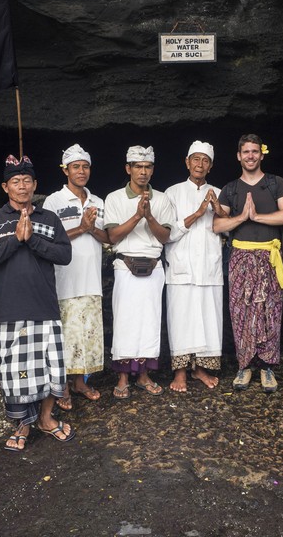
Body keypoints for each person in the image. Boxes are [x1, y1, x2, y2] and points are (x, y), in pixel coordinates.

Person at [0, 155, 76, 452]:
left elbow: (64, 256)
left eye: (27, 181)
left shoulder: (49, 219)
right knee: (16, 375)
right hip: (10, 310)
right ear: (6, 187)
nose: (22, 186)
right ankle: (23, 426)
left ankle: (46, 418)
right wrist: (15, 240)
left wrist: (32, 240)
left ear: (35, 185)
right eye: (16, 182)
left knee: (50, 369)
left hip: (44, 306)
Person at [213, 134, 283, 393]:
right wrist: (241, 218)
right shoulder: (230, 189)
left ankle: (267, 367)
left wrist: (256, 216)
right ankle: (244, 366)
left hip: (268, 257)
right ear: (238, 156)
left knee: (270, 311)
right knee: (241, 312)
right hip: (240, 256)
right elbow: (218, 224)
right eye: (245, 152)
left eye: (254, 152)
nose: (250, 156)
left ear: (262, 155)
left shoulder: (275, 183)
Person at [104, 145, 175, 399]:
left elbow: (165, 237)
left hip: (154, 266)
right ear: (128, 169)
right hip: (125, 266)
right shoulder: (114, 198)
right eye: (137, 167)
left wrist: (150, 217)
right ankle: (123, 377)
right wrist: (137, 216)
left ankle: (144, 375)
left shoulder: (163, 199)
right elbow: (112, 236)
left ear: (152, 170)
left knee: (149, 321)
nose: (142, 172)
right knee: (124, 322)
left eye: (147, 167)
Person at [43, 144, 108, 411]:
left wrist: (91, 230)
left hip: (91, 279)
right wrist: (81, 227)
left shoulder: (98, 202)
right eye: (75, 167)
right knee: (66, 337)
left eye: (85, 166)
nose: (81, 171)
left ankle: (81, 382)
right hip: (64, 280)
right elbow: (47, 239)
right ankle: (63, 387)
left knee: (88, 335)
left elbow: (107, 238)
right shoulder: (54, 202)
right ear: (65, 170)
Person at [164, 140, 226, 392]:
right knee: (181, 319)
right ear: (187, 162)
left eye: (205, 161)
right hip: (181, 268)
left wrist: (217, 208)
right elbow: (167, 233)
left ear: (210, 167)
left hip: (209, 267)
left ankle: (200, 369)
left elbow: (227, 226)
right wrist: (199, 212)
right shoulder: (172, 192)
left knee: (207, 319)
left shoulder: (220, 193)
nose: (200, 164)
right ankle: (180, 372)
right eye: (196, 159)